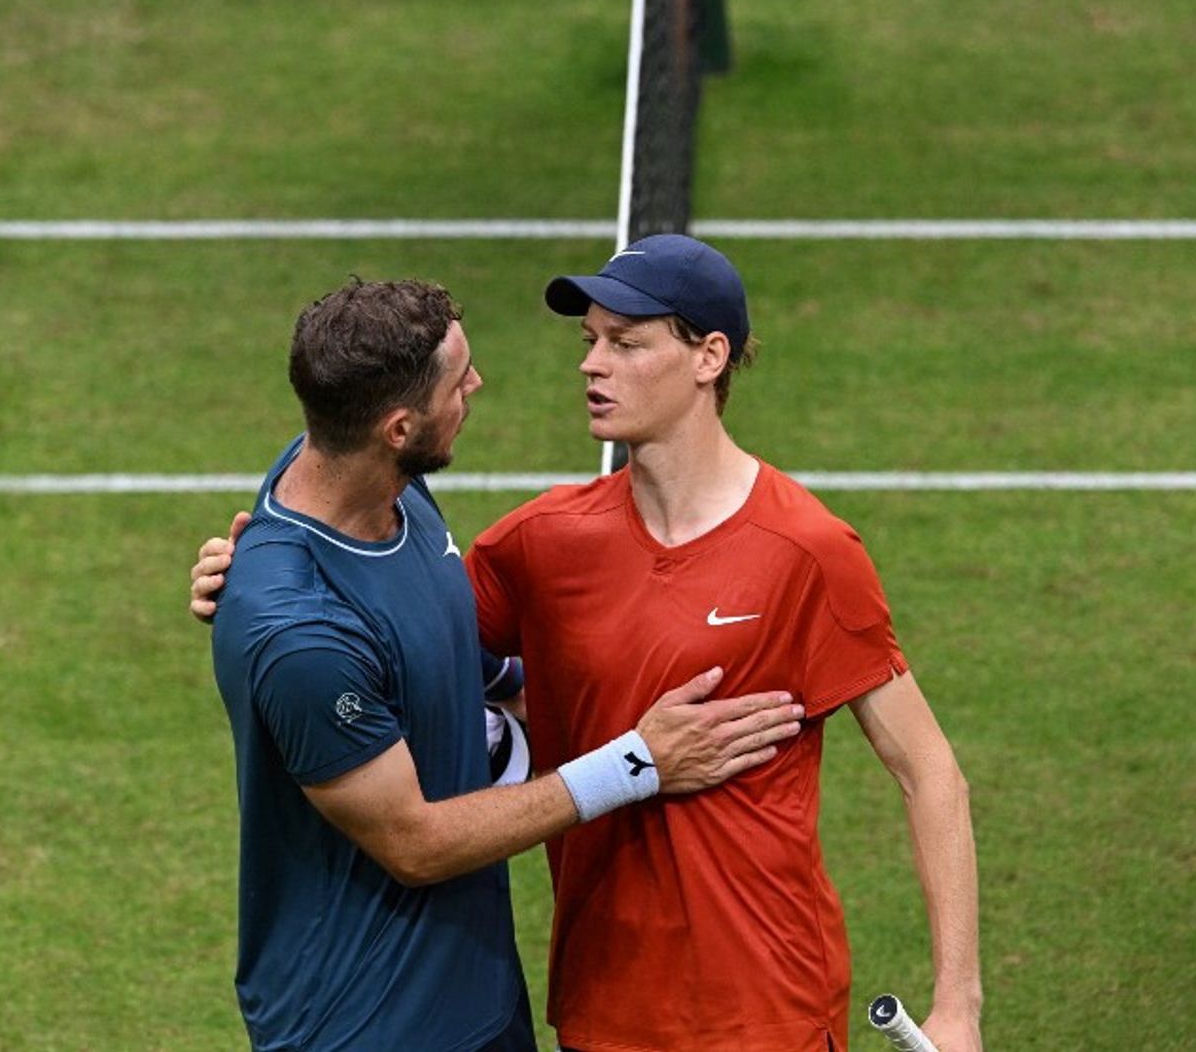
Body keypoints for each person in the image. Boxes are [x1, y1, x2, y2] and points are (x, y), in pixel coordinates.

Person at [194, 242, 982, 1052]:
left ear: (709, 357)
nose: (592, 366)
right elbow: (397, 638)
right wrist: (252, 581)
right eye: (590, 342)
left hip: (766, 1007)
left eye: (627, 343)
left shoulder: (809, 551)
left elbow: (928, 771)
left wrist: (958, 1005)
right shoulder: (541, 546)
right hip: (600, 1008)